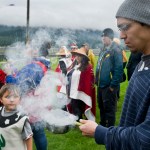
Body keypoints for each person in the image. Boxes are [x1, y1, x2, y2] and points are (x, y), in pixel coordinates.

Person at [79, 0, 150, 149]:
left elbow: (145, 138)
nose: (122, 35)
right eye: (119, 29)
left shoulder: (116, 50)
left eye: (125, 27)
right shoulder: (143, 62)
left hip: (109, 87)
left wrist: (102, 133)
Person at [5, 47, 50, 150]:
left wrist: (9, 75)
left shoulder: (32, 67)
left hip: (29, 106)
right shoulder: (39, 65)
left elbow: (17, 87)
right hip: (37, 104)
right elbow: (23, 79)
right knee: (39, 133)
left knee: (32, 134)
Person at [95, 28, 123, 127]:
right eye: (102, 37)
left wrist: (113, 85)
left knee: (109, 108)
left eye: (104, 37)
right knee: (101, 106)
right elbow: (99, 66)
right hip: (100, 85)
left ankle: (110, 128)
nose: (103, 39)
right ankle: (102, 124)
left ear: (110, 37)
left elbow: (119, 68)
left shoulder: (116, 49)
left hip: (109, 86)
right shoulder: (103, 49)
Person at [66, 47, 96, 121]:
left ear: (83, 57)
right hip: (73, 91)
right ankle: (78, 121)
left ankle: (80, 122)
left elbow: (89, 80)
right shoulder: (74, 65)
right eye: (76, 55)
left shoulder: (88, 67)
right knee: (74, 107)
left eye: (79, 56)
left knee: (78, 107)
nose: (77, 57)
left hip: (81, 92)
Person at [0, 84, 33, 150]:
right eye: (7, 97)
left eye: (15, 97)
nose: (12, 100)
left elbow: (28, 137)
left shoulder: (22, 118)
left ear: (19, 99)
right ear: (1, 99)